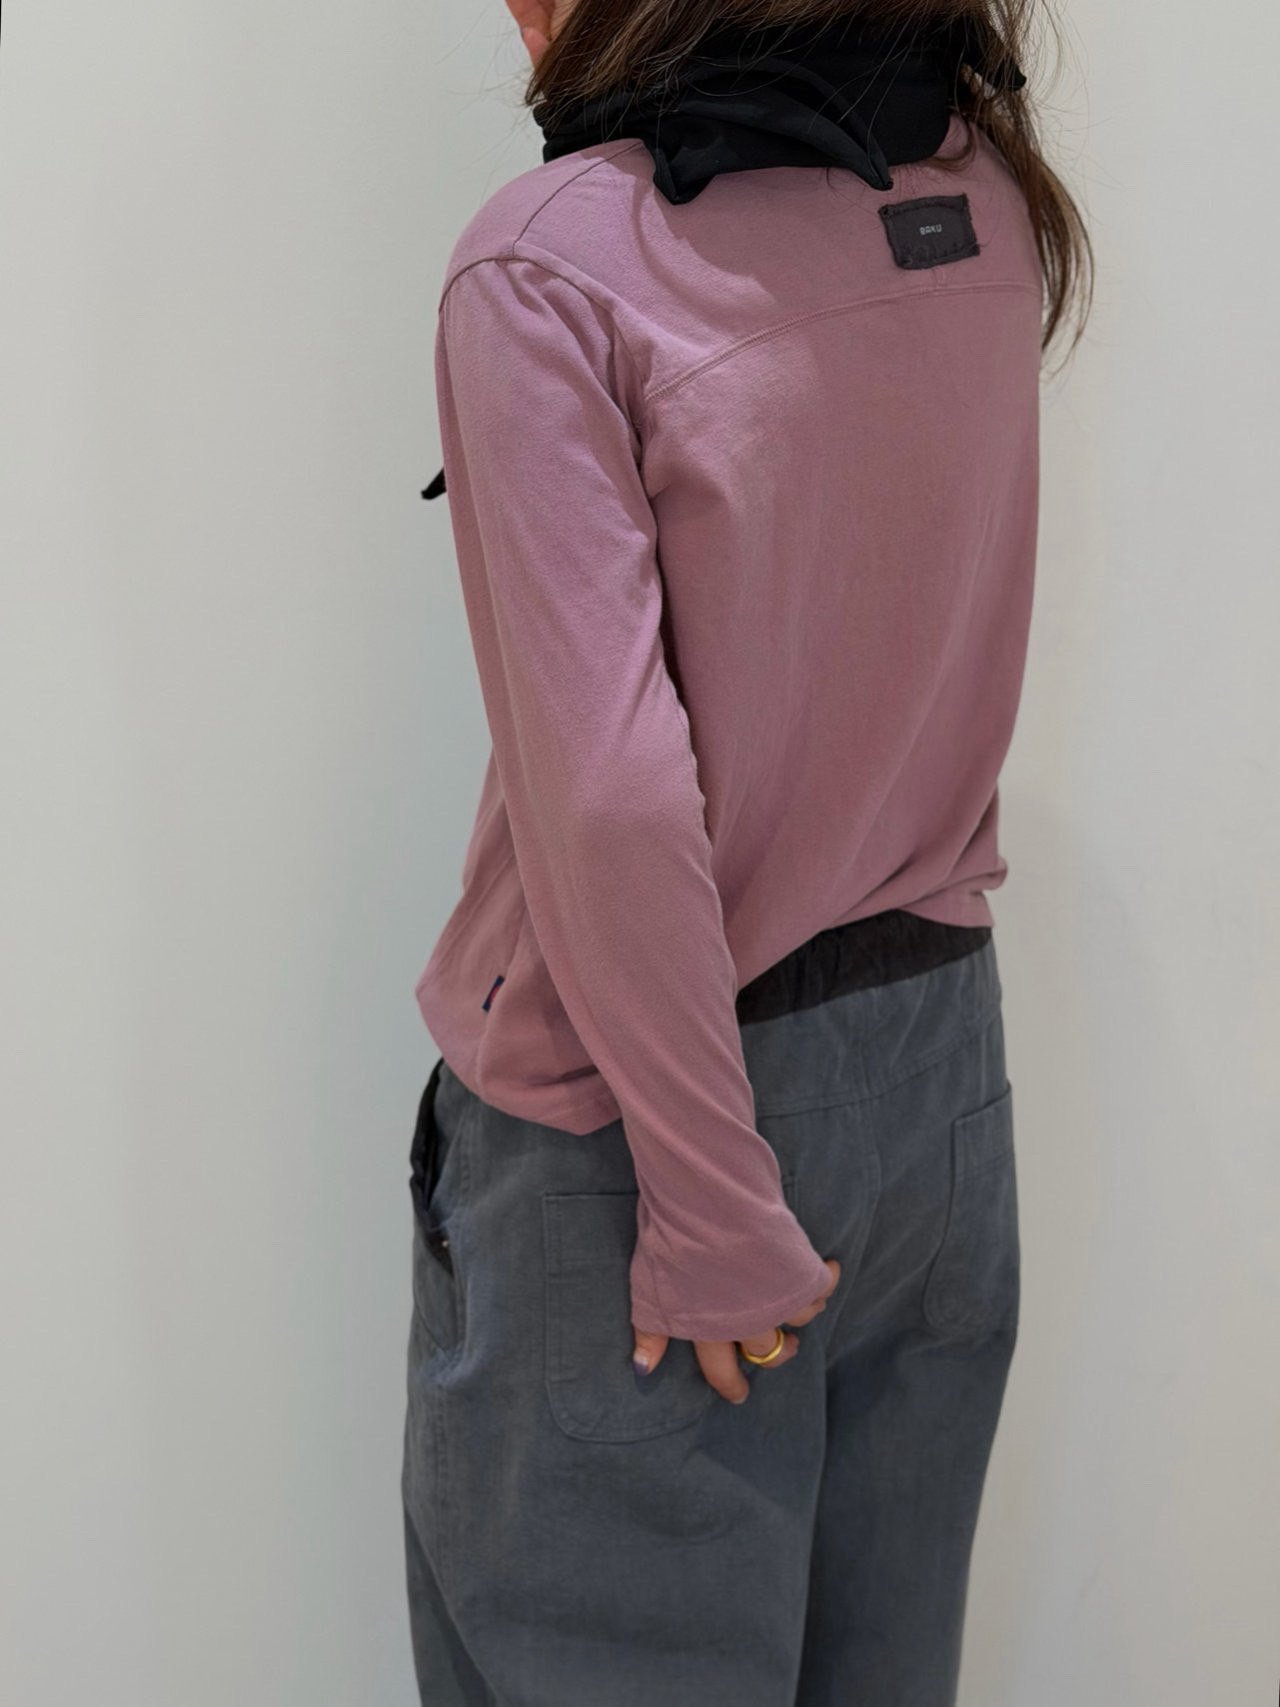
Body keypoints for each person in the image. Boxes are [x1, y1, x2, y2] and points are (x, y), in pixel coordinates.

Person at [403, 2, 1092, 1702]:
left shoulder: (551, 263)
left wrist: (711, 1199)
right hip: (937, 1088)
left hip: (656, 1132)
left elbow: (615, 798)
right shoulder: (973, 197)